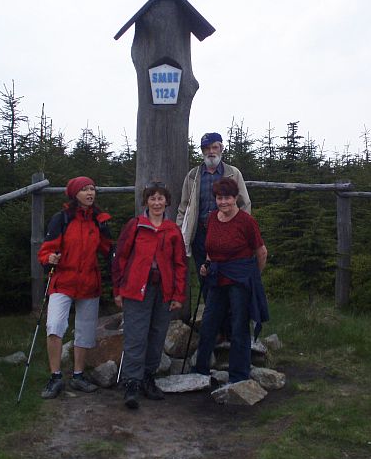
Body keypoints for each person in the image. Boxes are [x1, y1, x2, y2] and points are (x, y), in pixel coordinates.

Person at [112, 182, 187, 409]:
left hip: (163, 290)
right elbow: (120, 258)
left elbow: (180, 264)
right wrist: (118, 290)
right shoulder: (135, 226)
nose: (156, 203)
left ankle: (148, 378)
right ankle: (131, 383)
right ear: (146, 202)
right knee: (136, 336)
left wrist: (178, 295)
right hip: (136, 289)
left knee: (156, 336)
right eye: (152, 198)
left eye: (160, 198)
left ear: (167, 202)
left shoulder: (172, 230)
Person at [37, 176, 112, 399]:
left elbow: (109, 249)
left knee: (85, 331)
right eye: (85, 189)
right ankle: (55, 377)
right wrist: (49, 258)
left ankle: (78, 376)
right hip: (63, 281)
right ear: (74, 194)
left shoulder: (99, 220)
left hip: (89, 283)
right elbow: (45, 250)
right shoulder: (61, 219)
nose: (90, 193)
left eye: (92, 189)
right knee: (54, 326)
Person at [193, 177, 269, 384]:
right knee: (209, 323)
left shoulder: (246, 221)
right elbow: (211, 249)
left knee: (239, 326)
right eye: (219, 198)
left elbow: (261, 252)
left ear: (235, 198)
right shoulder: (212, 218)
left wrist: (253, 276)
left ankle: (238, 375)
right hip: (217, 278)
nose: (223, 202)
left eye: (227, 198)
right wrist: (207, 264)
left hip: (240, 280)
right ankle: (200, 370)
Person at [177, 132, 251, 298]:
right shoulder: (193, 175)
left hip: (227, 233)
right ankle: (210, 309)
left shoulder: (233, 173)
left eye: (214, 147)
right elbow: (184, 207)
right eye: (206, 148)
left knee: (227, 276)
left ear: (221, 148)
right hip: (200, 235)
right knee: (205, 276)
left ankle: (227, 312)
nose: (211, 151)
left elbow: (245, 203)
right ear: (202, 151)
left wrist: (241, 231)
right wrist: (180, 233)